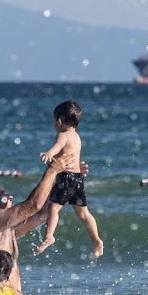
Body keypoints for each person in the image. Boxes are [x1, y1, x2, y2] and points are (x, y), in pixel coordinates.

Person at [0, 152, 69, 294]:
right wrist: (51, 170)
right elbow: (33, 205)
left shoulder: (6, 230)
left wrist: (65, 179)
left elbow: (43, 212)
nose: (10, 196)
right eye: (2, 196)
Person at [34, 100, 104, 257]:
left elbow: (58, 146)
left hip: (65, 178)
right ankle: (96, 239)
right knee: (84, 214)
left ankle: (49, 236)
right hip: (78, 179)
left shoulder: (62, 135)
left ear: (59, 120)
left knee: (53, 209)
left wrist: (49, 153)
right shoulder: (77, 137)